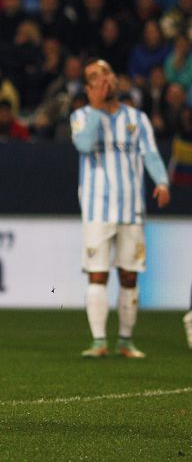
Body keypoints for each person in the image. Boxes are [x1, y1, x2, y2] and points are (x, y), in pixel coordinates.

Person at [70, 59, 171, 359]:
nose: (103, 81)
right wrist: (97, 108)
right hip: (96, 209)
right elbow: (85, 146)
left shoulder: (137, 118)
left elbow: (150, 153)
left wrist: (162, 182)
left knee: (129, 275)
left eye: (107, 74)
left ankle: (126, 340)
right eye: (95, 78)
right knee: (97, 274)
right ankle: (99, 341)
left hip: (131, 209)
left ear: (116, 79)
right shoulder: (81, 116)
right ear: (88, 88)